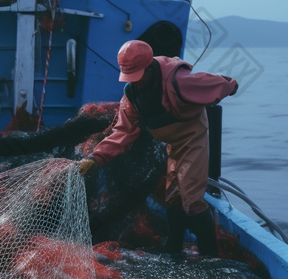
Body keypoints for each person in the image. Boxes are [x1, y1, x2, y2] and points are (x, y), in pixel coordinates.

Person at [79, 40, 238, 256]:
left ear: (149, 67)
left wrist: (231, 85)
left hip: (191, 136)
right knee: (172, 194)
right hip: (171, 142)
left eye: (139, 75)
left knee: (191, 196)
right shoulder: (132, 95)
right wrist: (96, 158)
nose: (136, 82)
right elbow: (123, 132)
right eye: (131, 77)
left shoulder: (179, 81)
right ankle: (173, 248)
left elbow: (213, 83)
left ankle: (210, 258)